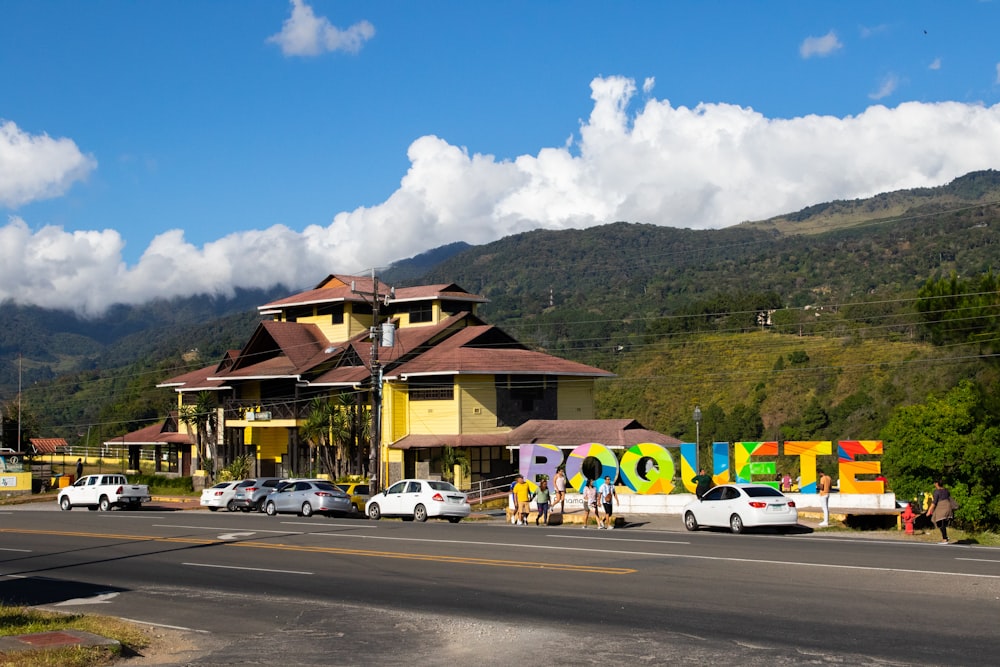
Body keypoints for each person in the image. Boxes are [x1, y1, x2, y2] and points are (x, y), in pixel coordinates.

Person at [926, 479, 955, 544]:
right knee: (942, 522)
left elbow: (934, 502)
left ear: (936, 484)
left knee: (940, 522)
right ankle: (945, 537)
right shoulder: (946, 490)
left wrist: (929, 511)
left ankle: (944, 539)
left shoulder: (936, 492)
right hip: (947, 506)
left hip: (941, 507)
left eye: (934, 483)